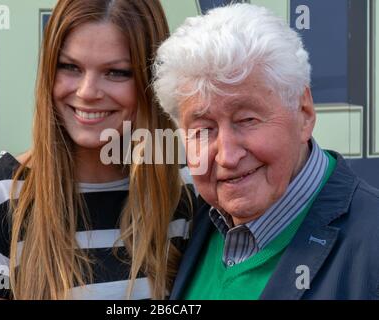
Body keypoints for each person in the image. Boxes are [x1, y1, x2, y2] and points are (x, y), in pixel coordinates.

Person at [0, 0, 195, 300]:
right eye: (70, 67)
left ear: (151, 80)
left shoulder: (188, 191)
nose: (87, 92)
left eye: (116, 72)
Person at [153, 3, 379, 299]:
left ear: (304, 112)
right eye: (203, 130)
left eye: (247, 120)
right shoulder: (186, 228)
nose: (227, 156)